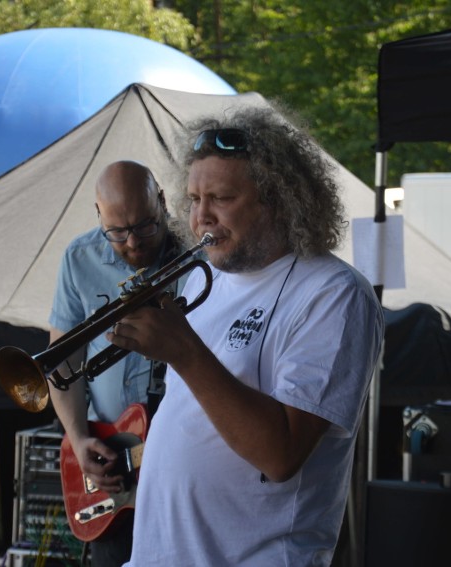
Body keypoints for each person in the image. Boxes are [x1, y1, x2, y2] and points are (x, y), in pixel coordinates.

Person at [109, 106, 384, 566]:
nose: (201, 219)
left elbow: (280, 456)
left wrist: (183, 351)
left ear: (278, 199)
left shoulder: (334, 294)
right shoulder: (202, 277)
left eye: (220, 198)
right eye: (194, 200)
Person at [48, 160, 184, 566]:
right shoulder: (79, 258)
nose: (133, 243)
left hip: (179, 463)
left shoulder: (200, 253)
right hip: (111, 464)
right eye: (117, 232)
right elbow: (63, 364)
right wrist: (77, 437)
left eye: (145, 226)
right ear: (98, 216)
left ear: (162, 202)